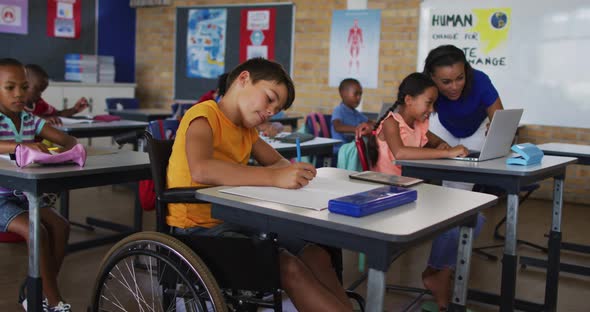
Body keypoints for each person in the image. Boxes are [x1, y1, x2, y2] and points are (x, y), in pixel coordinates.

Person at [166, 57, 353, 311]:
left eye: (277, 109)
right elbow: (202, 169)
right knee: (287, 266)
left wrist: (298, 172)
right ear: (244, 79)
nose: (271, 111)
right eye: (270, 98)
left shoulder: (246, 130)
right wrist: (276, 178)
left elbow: (277, 164)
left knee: (316, 253)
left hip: (235, 220)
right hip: (198, 230)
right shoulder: (203, 115)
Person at [366, 72, 484, 311]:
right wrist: (446, 153)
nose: (431, 109)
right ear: (409, 100)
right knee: (456, 219)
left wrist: (444, 147)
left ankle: (437, 270)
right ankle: (438, 275)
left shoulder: (419, 124)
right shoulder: (391, 122)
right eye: (428, 102)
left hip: (412, 191)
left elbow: (437, 142)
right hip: (389, 195)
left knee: (476, 217)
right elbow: (401, 153)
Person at [0, 58, 76, 311]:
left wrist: (55, 149)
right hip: (1, 198)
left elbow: (68, 140)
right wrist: (20, 146)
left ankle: (37, 292)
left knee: (61, 225)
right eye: (10, 88)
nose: (19, 94)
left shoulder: (30, 119)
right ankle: (55, 302)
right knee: (37, 231)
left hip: (25, 193)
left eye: (24, 87)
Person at [422, 44, 504, 170]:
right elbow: (414, 124)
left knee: (463, 177)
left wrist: (496, 129)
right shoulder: (425, 87)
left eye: (460, 78)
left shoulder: (480, 80)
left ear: (466, 71)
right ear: (432, 77)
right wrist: (438, 143)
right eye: (446, 82)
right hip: (443, 125)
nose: (454, 87)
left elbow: (500, 120)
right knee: (437, 169)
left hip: (476, 129)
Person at [24, 64, 89, 126]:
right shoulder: (17, 106)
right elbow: (22, 119)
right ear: (24, 85)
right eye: (37, 90)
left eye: (41, 91)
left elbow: (58, 114)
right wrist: (43, 119)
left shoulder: (40, 103)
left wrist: (74, 109)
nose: (40, 95)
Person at [331, 78, 373, 156]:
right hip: (341, 150)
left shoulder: (356, 113)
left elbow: (370, 122)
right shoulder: (339, 110)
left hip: (353, 148)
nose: (359, 98)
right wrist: (358, 129)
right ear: (343, 94)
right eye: (356, 94)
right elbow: (338, 127)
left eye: (360, 94)